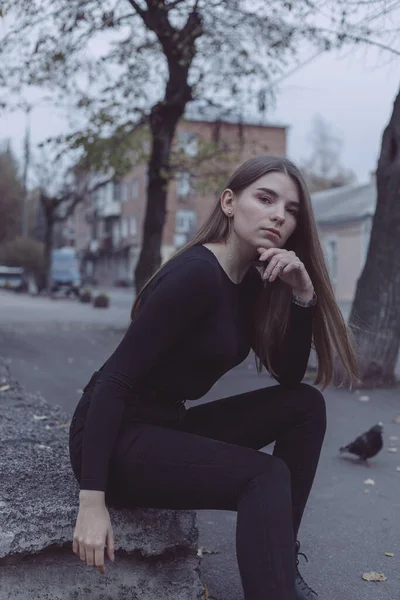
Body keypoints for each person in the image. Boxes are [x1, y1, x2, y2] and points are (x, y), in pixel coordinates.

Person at [69, 155, 359, 600]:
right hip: (114, 438)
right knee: (262, 475)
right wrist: (92, 503)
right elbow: (114, 382)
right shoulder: (196, 276)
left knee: (304, 405)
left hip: (165, 424)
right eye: (265, 198)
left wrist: (303, 295)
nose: (279, 214)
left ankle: (280, 559)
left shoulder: (251, 282)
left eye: (291, 209)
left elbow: (289, 376)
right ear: (228, 202)